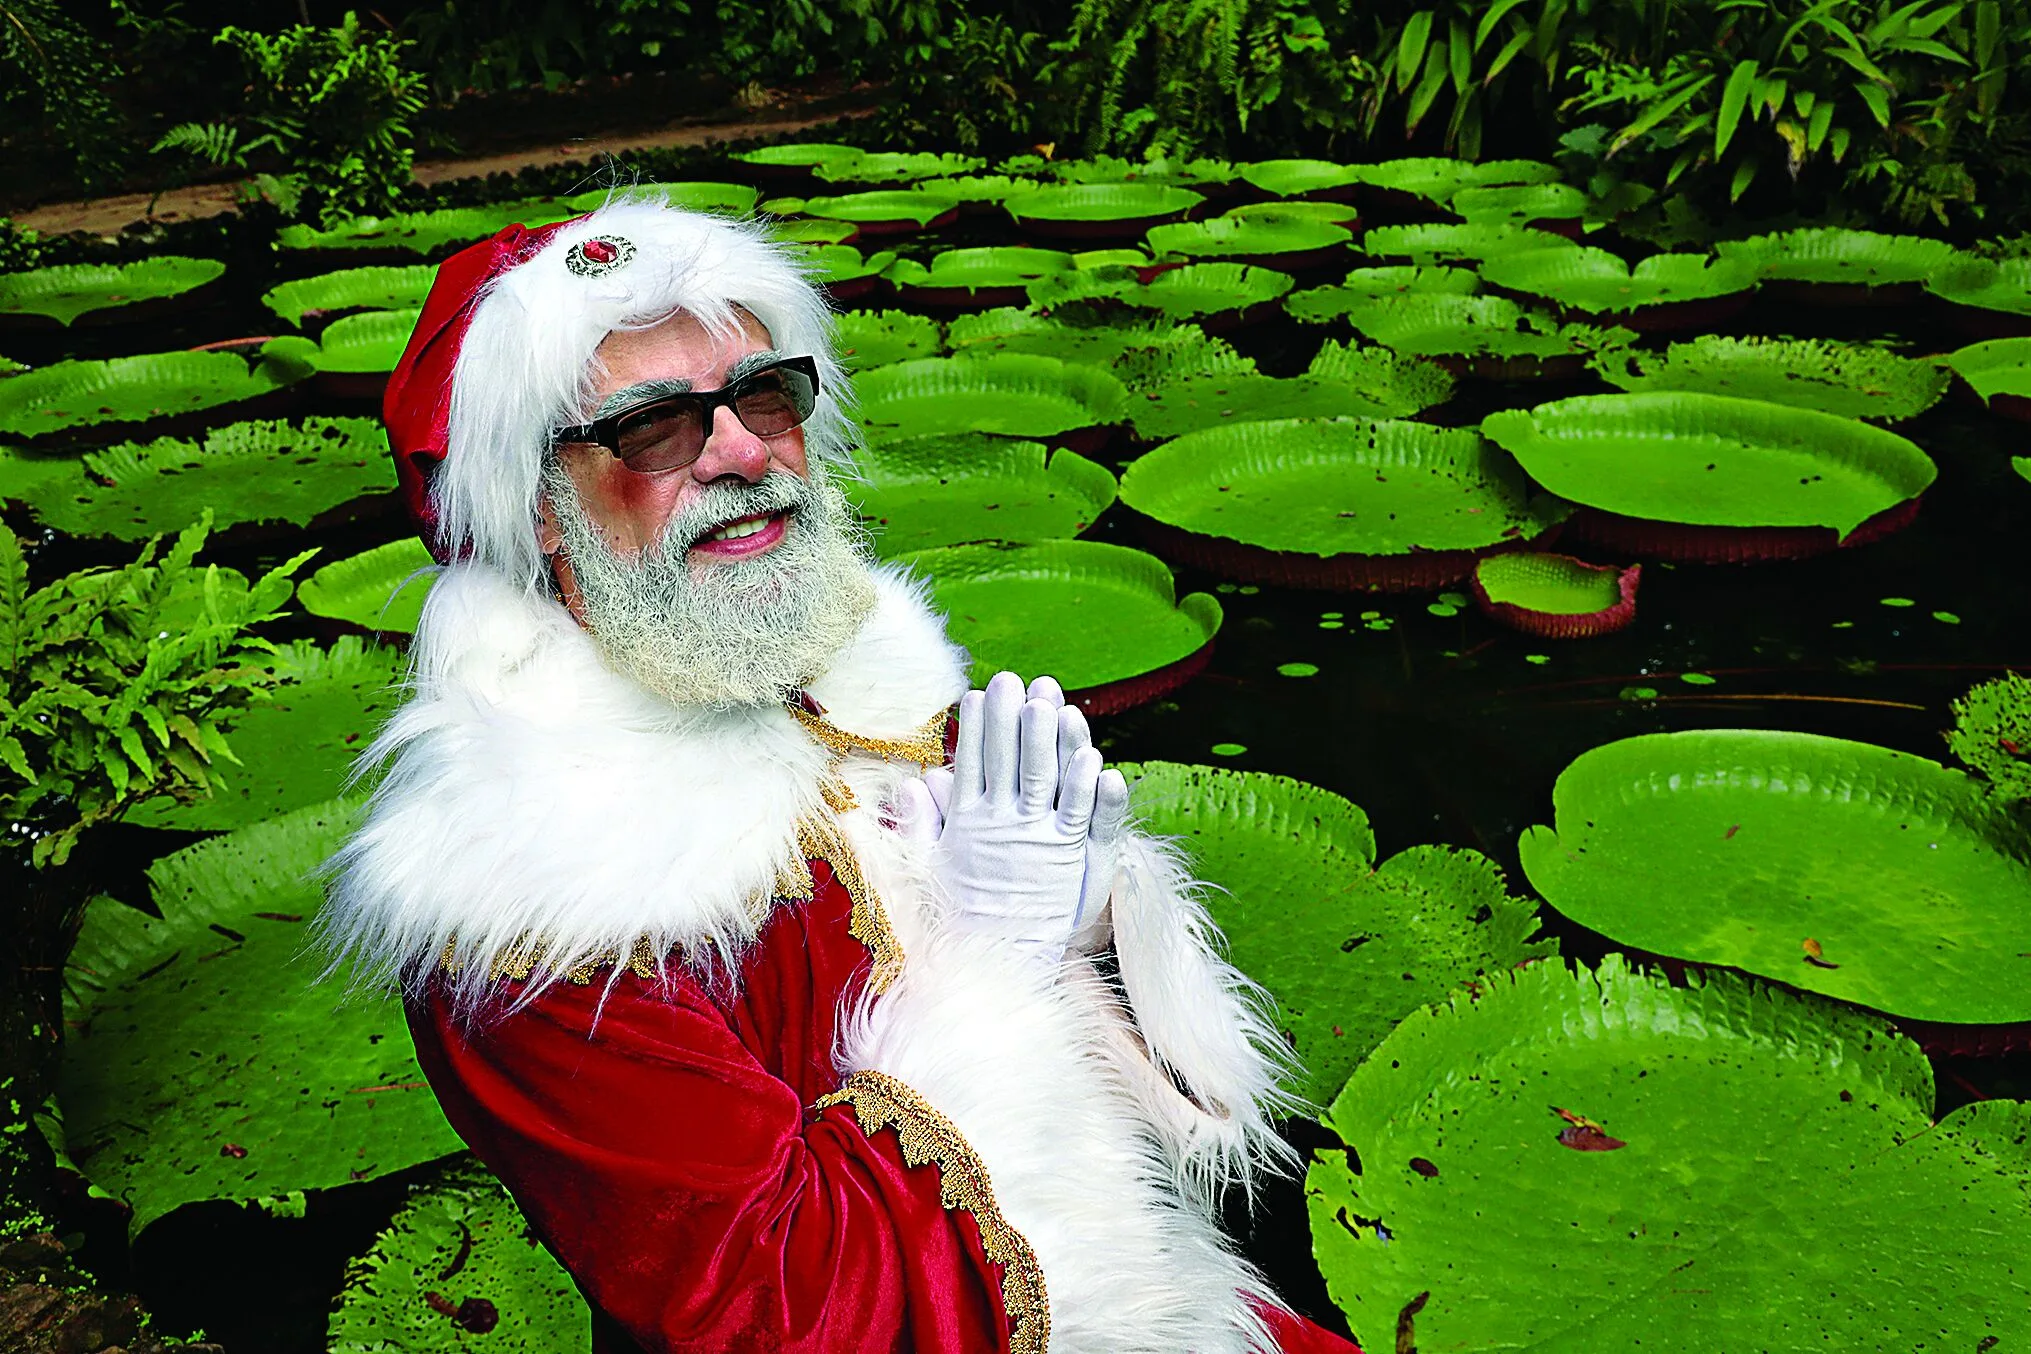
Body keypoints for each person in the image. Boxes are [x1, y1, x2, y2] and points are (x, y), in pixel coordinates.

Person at [316, 195, 1362, 1354]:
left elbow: (1171, 1146)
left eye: (765, 394)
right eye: (657, 426)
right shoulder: (533, 911)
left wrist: (1091, 945)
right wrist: (994, 971)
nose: (744, 449)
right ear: (539, 511)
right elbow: (790, 1308)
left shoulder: (861, 682)